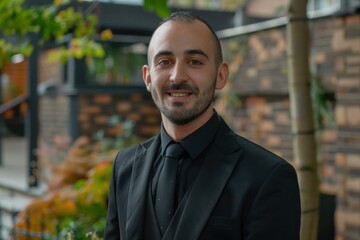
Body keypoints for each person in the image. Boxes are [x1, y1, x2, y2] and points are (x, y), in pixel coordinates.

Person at [104, 11, 301, 240]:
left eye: (195, 62)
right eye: (164, 62)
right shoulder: (124, 167)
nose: (177, 76)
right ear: (148, 78)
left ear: (220, 75)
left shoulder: (267, 177)